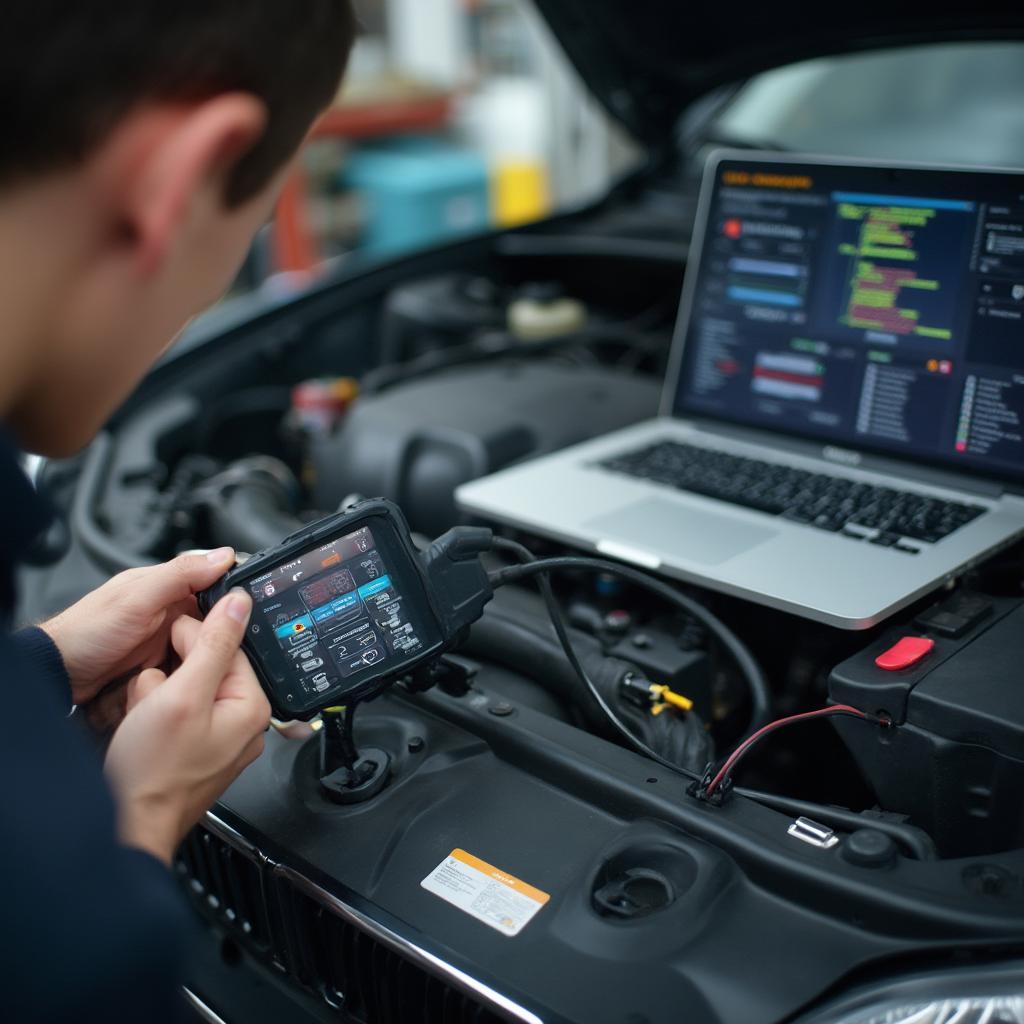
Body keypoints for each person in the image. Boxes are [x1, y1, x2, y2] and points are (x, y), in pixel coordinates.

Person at [0, 3, 356, 1020]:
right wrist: (144, 815)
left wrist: (43, 662)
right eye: (247, 232)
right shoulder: (50, 927)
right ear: (188, 176)